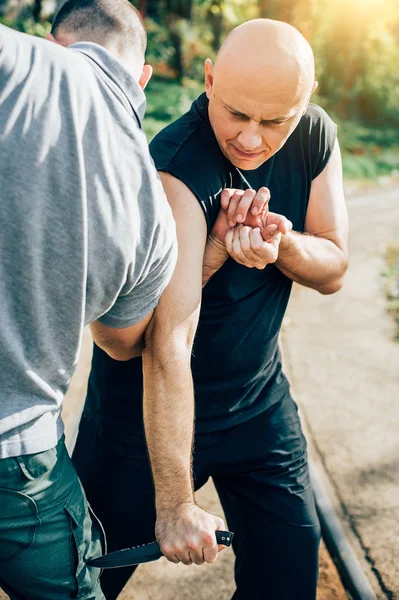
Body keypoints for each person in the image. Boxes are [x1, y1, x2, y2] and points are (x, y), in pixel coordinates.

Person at [73, 18, 349, 600]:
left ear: (306, 102)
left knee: (287, 580)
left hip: (258, 406)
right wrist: (174, 505)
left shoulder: (317, 136)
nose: (251, 138)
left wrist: (283, 245)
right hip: (141, 420)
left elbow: (335, 266)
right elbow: (168, 340)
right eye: (236, 114)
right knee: (79, 587)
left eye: (275, 121)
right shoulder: (176, 166)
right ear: (209, 79)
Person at [0, 1, 178, 597]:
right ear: (143, 79)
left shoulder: (15, 59)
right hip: (22, 464)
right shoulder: (154, 213)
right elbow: (120, 341)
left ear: (56, 41)